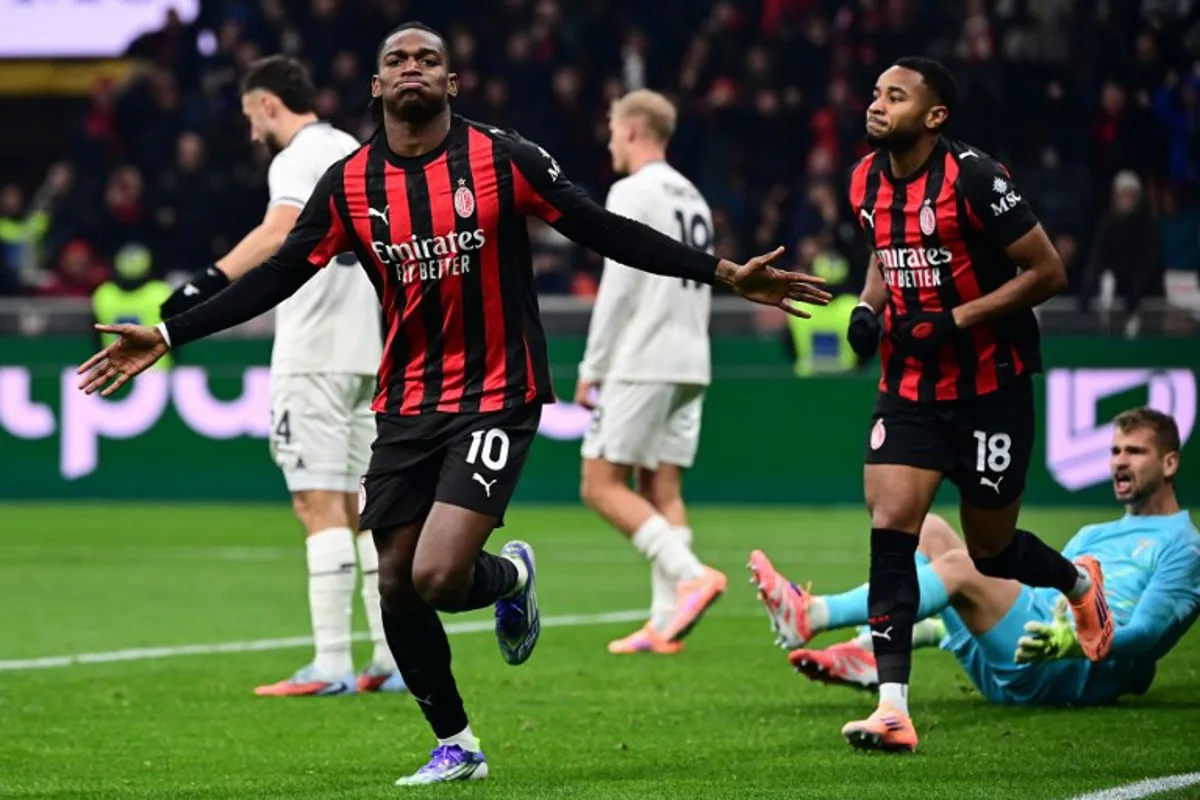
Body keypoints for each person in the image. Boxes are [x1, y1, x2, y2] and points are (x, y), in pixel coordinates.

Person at [77, 23, 829, 786]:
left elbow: (602, 229)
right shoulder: (349, 183)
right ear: (376, 86)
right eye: (397, 60)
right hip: (405, 402)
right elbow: (277, 276)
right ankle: (458, 743)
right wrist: (171, 333)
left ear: (451, 83)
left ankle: (508, 580)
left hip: (497, 393)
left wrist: (723, 271)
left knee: (437, 575)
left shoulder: (503, 157)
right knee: (396, 580)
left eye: (428, 60)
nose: (412, 69)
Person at [830, 56, 1113, 751]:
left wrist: (955, 320)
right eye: (875, 93)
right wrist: (870, 309)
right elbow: (882, 254)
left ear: (934, 117)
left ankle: (1079, 583)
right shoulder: (864, 178)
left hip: (992, 387)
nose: (877, 104)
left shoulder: (977, 179)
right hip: (909, 389)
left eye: (895, 96)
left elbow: (1047, 271)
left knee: (990, 551)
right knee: (892, 527)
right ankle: (893, 706)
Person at [158, 56, 402, 697]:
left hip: (314, 352)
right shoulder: (354, 148)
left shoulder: (297, 156)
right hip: (364, 350)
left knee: (317, 505)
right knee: (366, 510)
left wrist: (206, 282)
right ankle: (390, 658)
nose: (250, 133)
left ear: (268, 104)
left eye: (249, 117)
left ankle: (329, 665)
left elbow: (280, 228)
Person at [749, 408, 1198, 730]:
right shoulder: (1093, 534)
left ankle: (815, 614)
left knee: (962, 567)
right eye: (1116, 449)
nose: (1120, 460)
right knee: (927, 529)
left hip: (1066, 671)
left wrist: (1072, 643)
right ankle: (875, 648)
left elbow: (1147, 634)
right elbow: (1039, 594)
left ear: (1170, 462)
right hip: (1024, 649)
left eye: (1135, 451)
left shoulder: (1184, 546)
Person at [576, 89, 724, 655]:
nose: (610, 139)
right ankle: (665, 624)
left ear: (634, 129)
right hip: (691, 357)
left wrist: (595, 365)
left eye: (614, 128)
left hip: (644, 355)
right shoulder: (693, 196)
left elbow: (619, 285)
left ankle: (690, 576)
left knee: (600, 484)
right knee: (660, 485)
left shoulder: (632, 190)